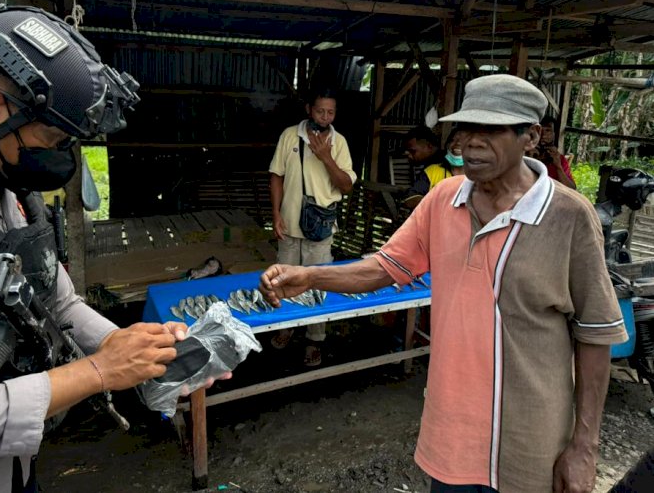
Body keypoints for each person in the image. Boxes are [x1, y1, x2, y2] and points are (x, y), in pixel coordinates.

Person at [0, 0, 215, 492]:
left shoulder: (15, 201)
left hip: (17, 470)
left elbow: (60, 300)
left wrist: (123, 345)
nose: (59, 161)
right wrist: (98, 370)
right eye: (51, 142)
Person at [260, 74, 627, 493]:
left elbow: (596, 333)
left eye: (490, 130)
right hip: (452, 433)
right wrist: (309, 276)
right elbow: (383, 268)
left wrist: (585, 446)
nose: (470, 142)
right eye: (467, 128)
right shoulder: (442, 200)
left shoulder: (568, 217)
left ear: (531, 137)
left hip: (532, 442)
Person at [268, 86, 356, 367]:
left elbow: (346, 186)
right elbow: (277, 176)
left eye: (331, 112)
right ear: (309, 109)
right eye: (320, 111)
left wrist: (326, 157)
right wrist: (276, 214)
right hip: (290, 225)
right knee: (284, 281)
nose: (325, 116)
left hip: (320, 228)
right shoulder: (289, 136)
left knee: (317, 284)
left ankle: (314, 340)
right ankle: (285, 327)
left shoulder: (339, 142)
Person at [403, 126, 464, 209]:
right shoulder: (433, 171)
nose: (457, 144)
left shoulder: (482, 177)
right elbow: (411, 198)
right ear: (447, 145)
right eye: (452, 140)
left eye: (465, 141)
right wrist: (436, 204)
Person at [537, 116, 576, 189]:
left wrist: (558, 167)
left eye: (548, 130)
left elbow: (572, 188)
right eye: (540, 130)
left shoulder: (559, 159)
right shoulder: (526, 154)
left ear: (554, 135)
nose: (543, 135)